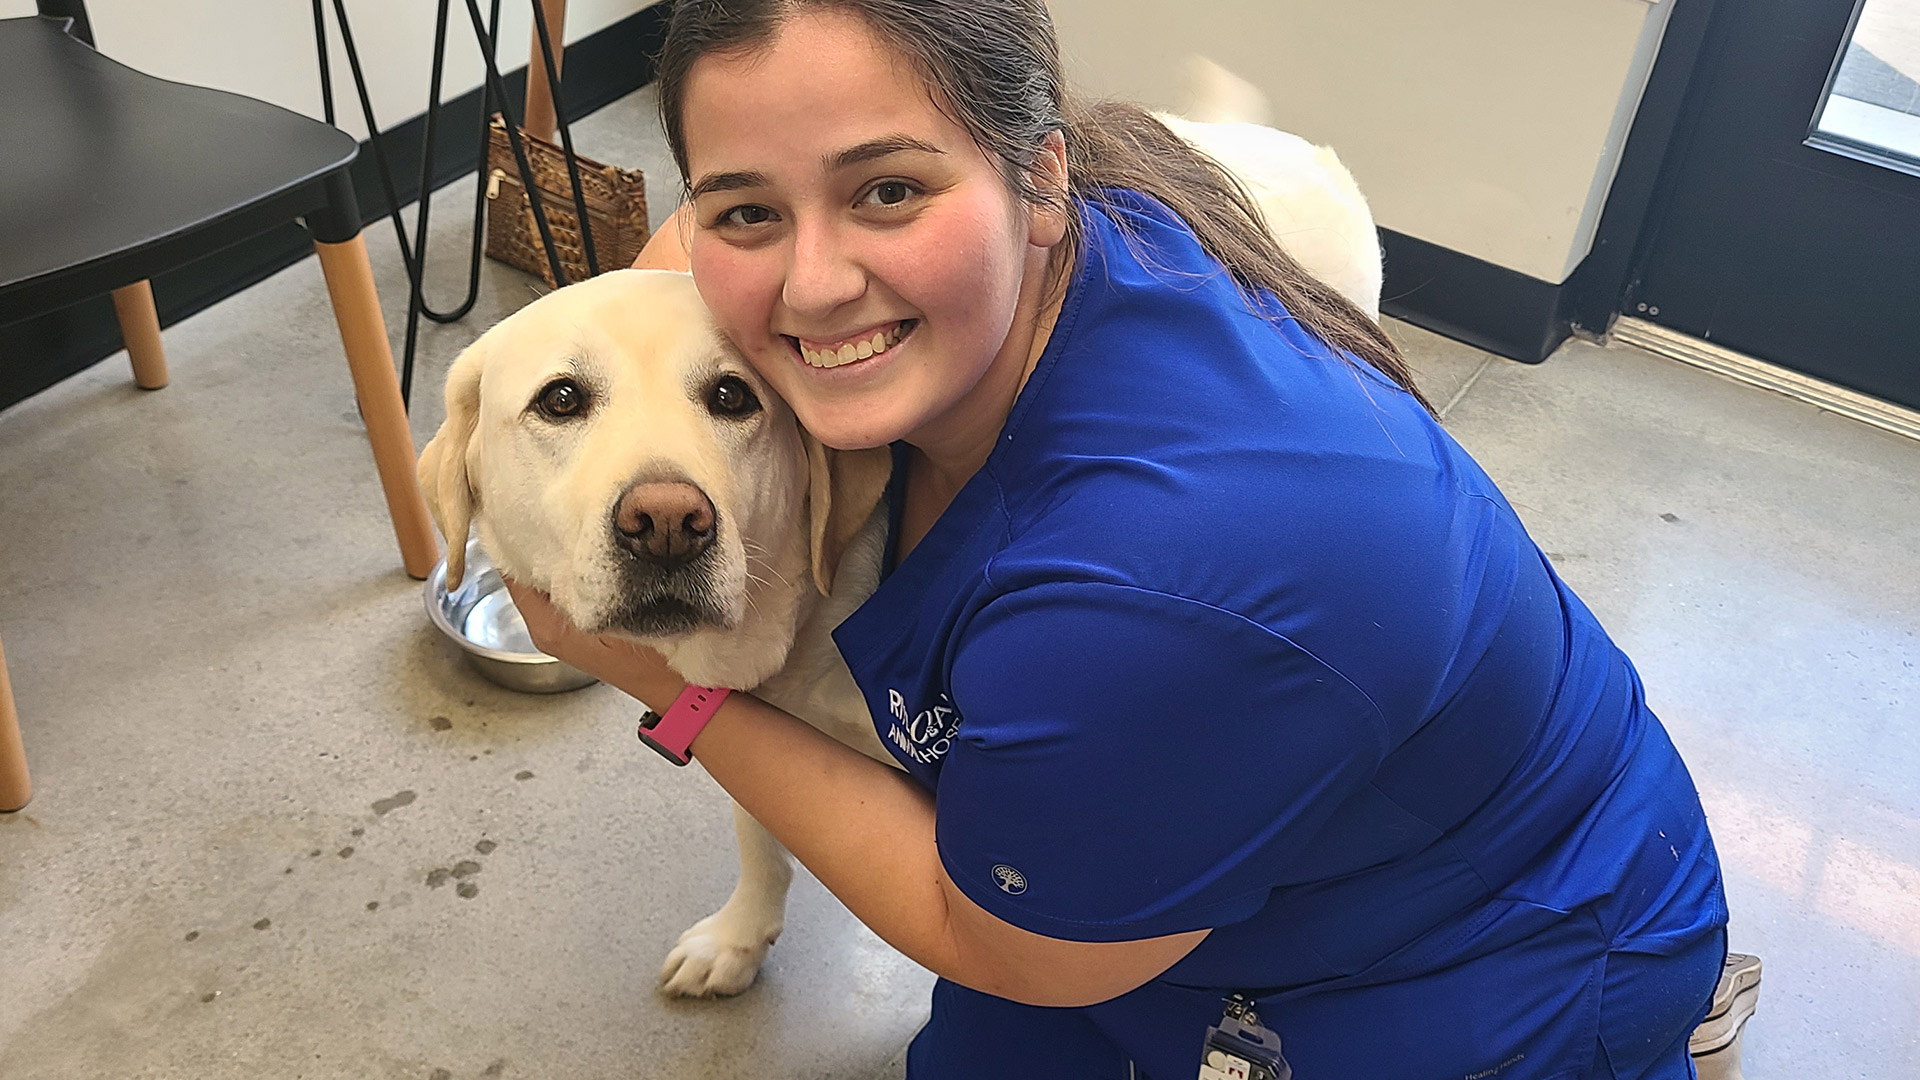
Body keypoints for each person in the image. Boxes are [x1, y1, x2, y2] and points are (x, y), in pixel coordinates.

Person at [506, 1, 1730, 1076]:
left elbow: (1009, 947)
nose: (811, 285)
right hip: (1153, 866)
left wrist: (670, 686)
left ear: (1039, 178)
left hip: (1477, 960)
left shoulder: (1159, 578)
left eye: (888, 189)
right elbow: (674, 280)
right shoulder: (1062, 233)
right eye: (748, 210)